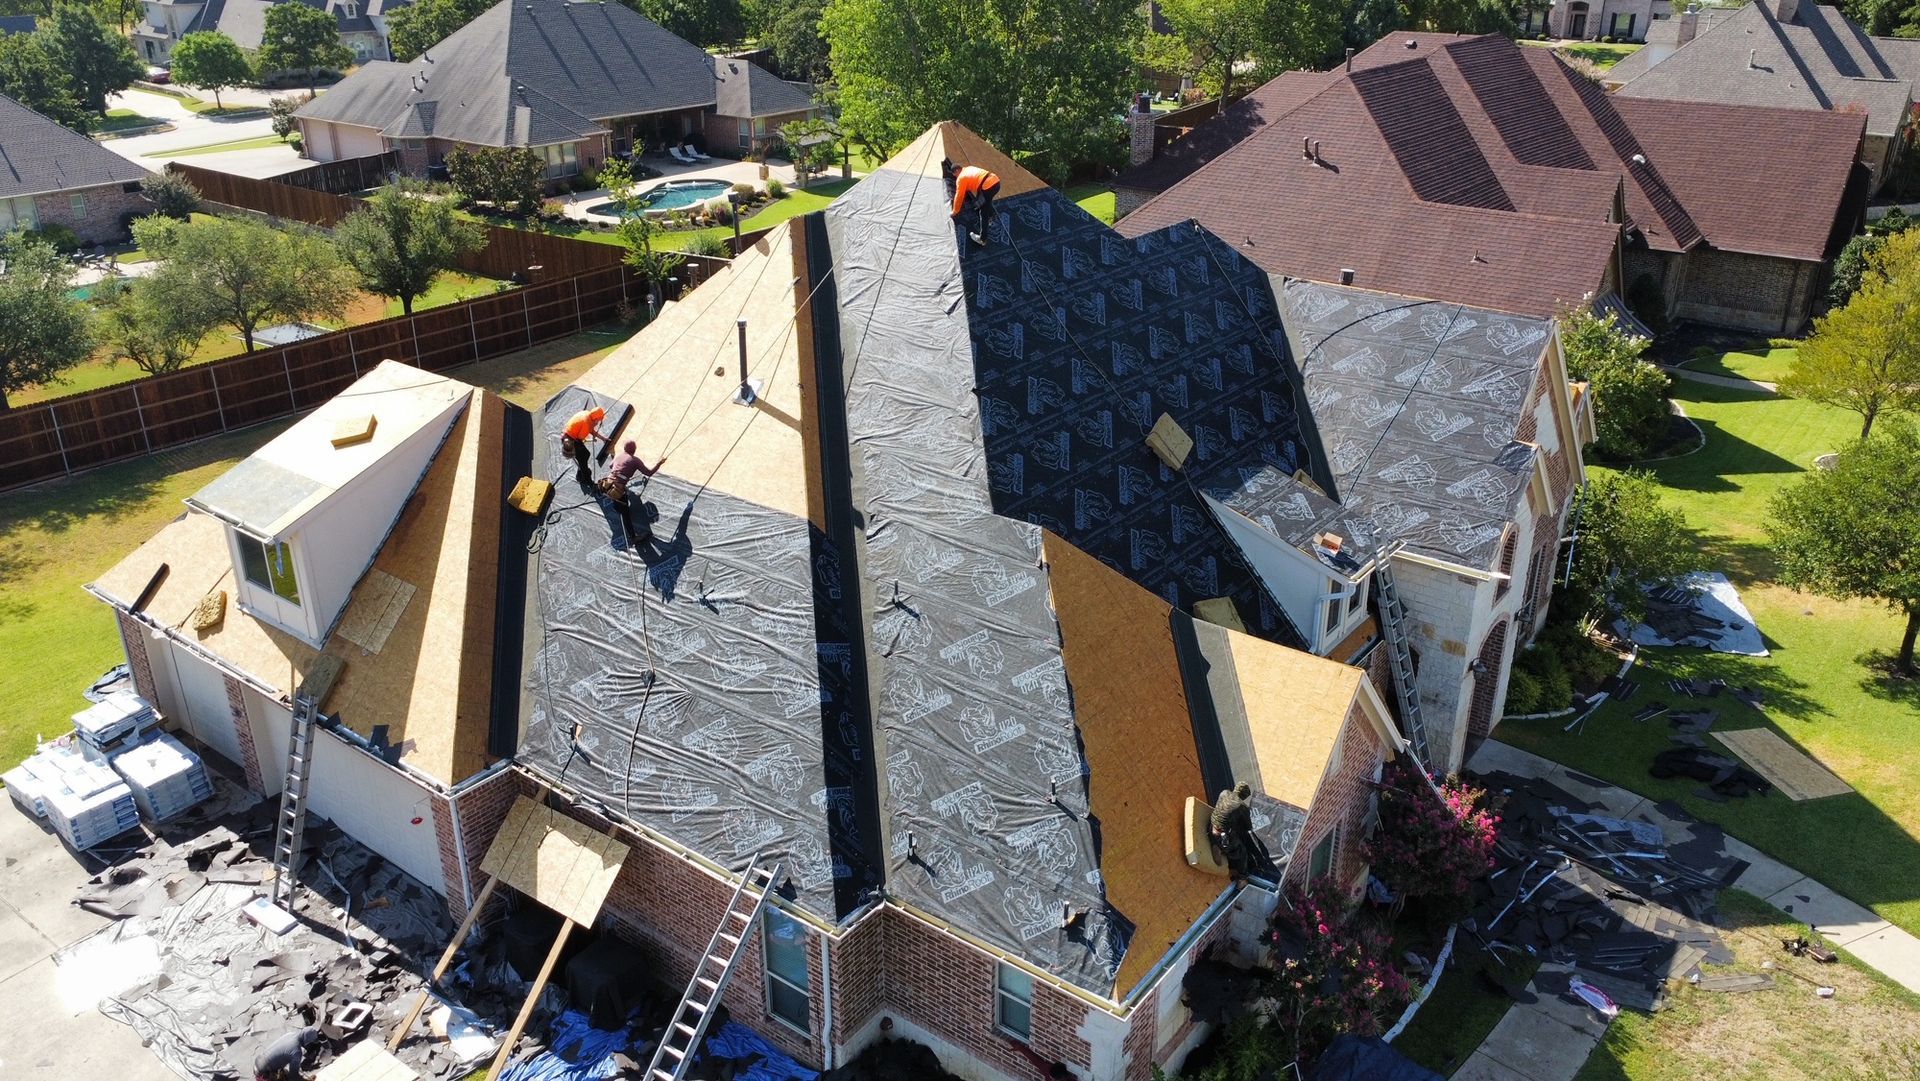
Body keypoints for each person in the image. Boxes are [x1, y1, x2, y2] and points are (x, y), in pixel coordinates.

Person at [599, 440, 664, 548]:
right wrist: (659, 464)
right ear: (634, 450)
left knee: (617, 499)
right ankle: (633, 537)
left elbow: (611, 466)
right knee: (625, 513)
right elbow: (649, 473)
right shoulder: (635, 460)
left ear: (625, 449)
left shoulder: (619, 455)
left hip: (607, 485)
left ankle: (618, 507)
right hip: (617, 490)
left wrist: (621, 468)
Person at [943, 158, 1002, 246]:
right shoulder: (969, 168)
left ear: (956, 171)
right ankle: (991, 217)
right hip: (996, 181)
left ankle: (982, 239)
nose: (956, 177)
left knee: (983, 211)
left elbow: (959, 196)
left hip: (988, 186)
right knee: (986, 201)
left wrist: (955, 211)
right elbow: (975, 180)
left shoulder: (961, 178)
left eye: (955, 175)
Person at [1210, 782, 1258, 877]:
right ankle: (1242, 878)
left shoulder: (1224, 793)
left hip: (1211, 825)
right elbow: (1248, 826)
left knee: (1224, 827)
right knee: (1242, 853)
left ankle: (1215, 842)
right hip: (1223, 837)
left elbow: (1222, 811)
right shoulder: (1241, 807)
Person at [561, 406, 610, 485]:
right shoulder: (587, 422)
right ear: (596, 418)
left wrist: (603, 438)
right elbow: (581, 437)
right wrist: (592, 425)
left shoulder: (587, 414)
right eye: (599, 419)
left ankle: (581, 472)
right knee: (583, 458)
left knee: (585, 455)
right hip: (570, 441)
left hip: (569, 435)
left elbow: (591, 430)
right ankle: (587, 480)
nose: (599, 421)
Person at [254, 1025, 319, 1081]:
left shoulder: (290, 1034)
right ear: (307, 1040)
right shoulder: (296, 1052)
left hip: (258, 1061)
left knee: (284, 1073)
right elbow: (294, 1076)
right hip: (264, 1072)